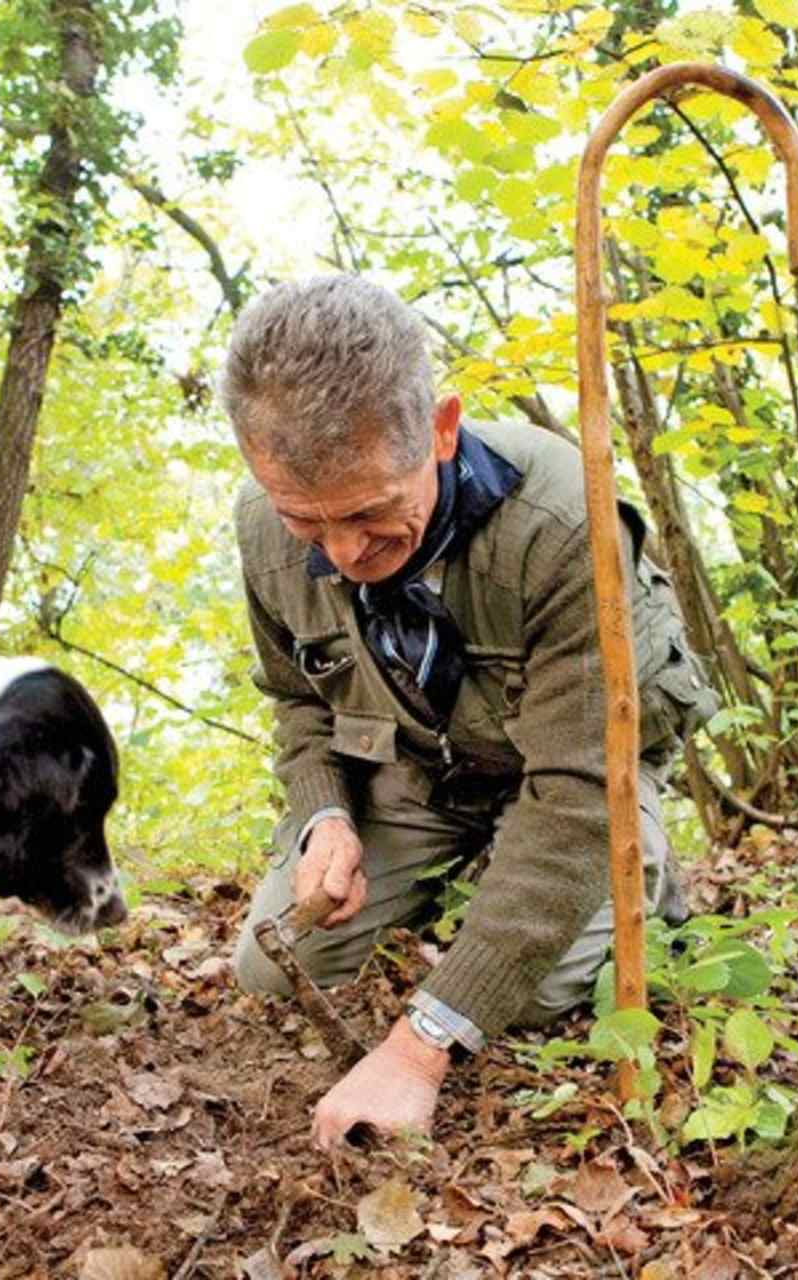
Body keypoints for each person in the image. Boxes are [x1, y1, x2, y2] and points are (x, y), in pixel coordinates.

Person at [222, 275, 715, 1148]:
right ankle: (471, 886)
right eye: (308, 522)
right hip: (423, 767)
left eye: (372, 512)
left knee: (532, 992)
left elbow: (573, 787)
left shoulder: (562, 517)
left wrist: (420, 1044)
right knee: (272, 961)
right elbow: (300, 703)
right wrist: (323, 819)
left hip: (570, 778)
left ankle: (635, 871)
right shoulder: (262, 529)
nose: (343, 553)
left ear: (442, 430)